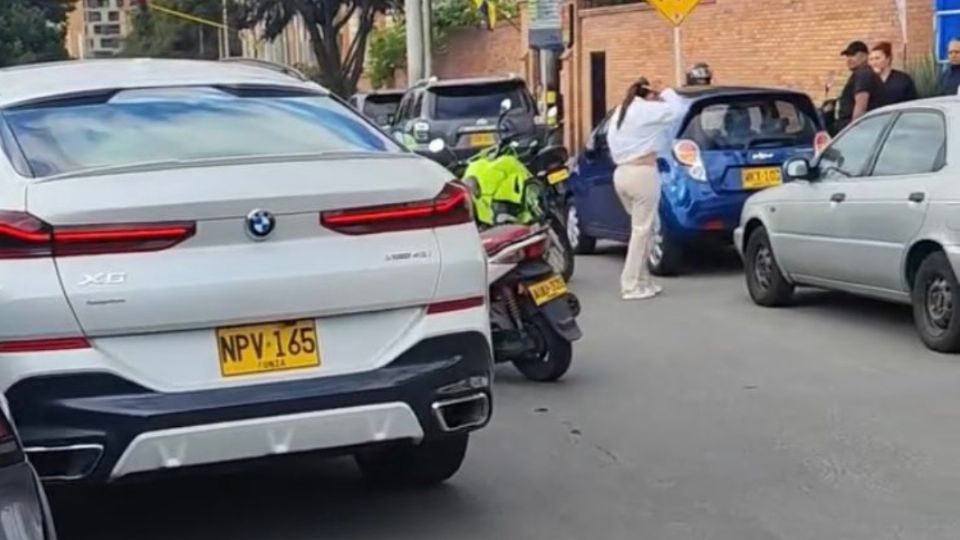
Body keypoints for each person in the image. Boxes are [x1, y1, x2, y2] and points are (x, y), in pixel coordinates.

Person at [605, 78, 683, 300]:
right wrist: (668, 90)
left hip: (621, 174)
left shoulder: (622, 111)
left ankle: (644, 281)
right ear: (648, 95)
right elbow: (675, 110)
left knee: (645, 228)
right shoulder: (646, 111)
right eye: (655, 97)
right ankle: (630, 284)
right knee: (642, 231)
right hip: (642, 173)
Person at [836, 40, 883, 132]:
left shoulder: (863, 74)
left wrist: (853, 131)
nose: (849, 59)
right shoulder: (863, 74)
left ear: (865, 56)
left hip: (854, 129)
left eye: (853, 55)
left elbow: (861, 106)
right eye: (847, 56)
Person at [868, 41, 918, 105]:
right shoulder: (868, 80)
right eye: (871, 59)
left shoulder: (902, 79)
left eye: (877, 58)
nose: (873, 63)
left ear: (888, 59)